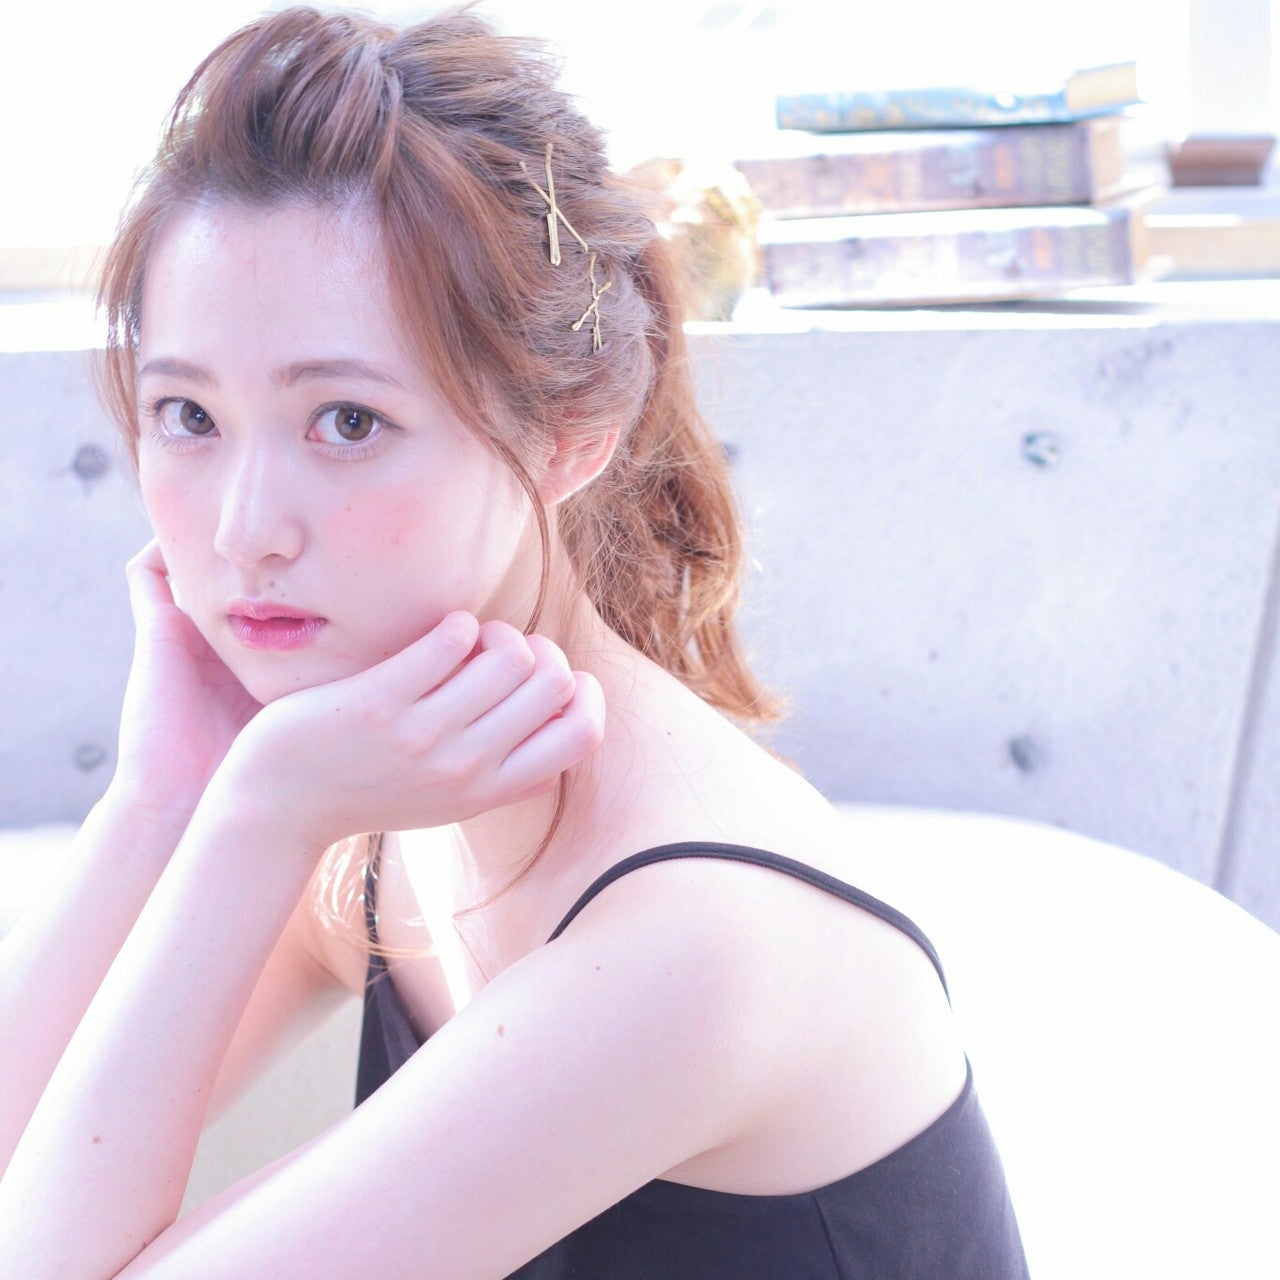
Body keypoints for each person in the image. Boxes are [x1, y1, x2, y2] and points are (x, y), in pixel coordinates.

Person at [0, 6, 1028, 1277]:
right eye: (187, 414)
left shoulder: (691, 942)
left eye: (346, 421)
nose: (243, 530)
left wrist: (255, 813)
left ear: (568, 436)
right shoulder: (379, 813)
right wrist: (158, 801)